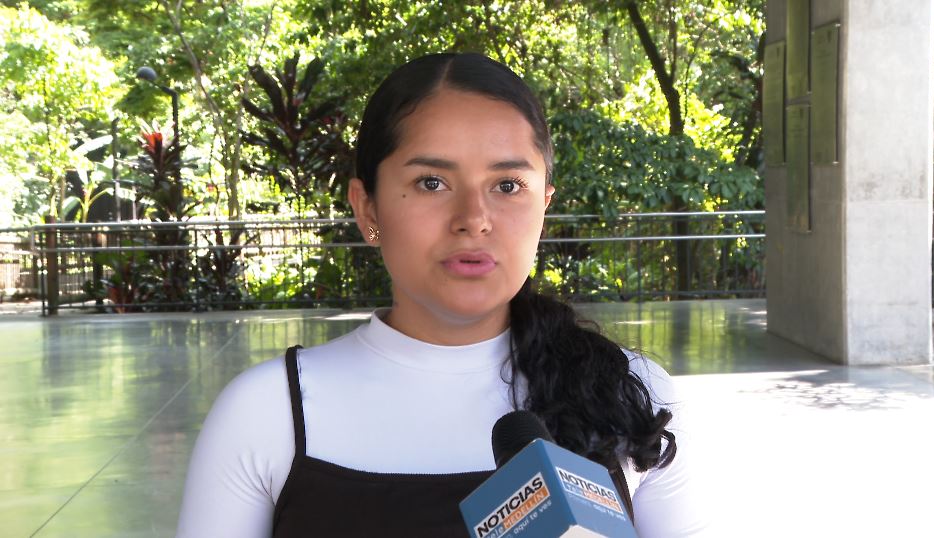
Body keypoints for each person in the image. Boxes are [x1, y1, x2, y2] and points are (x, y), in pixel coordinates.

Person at [176, 52, 707, 537]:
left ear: (544, 205)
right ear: (368, 209)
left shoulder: (632, 395)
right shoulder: (265, 414)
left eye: (507, 186)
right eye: (432, 182)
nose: (473, 220)